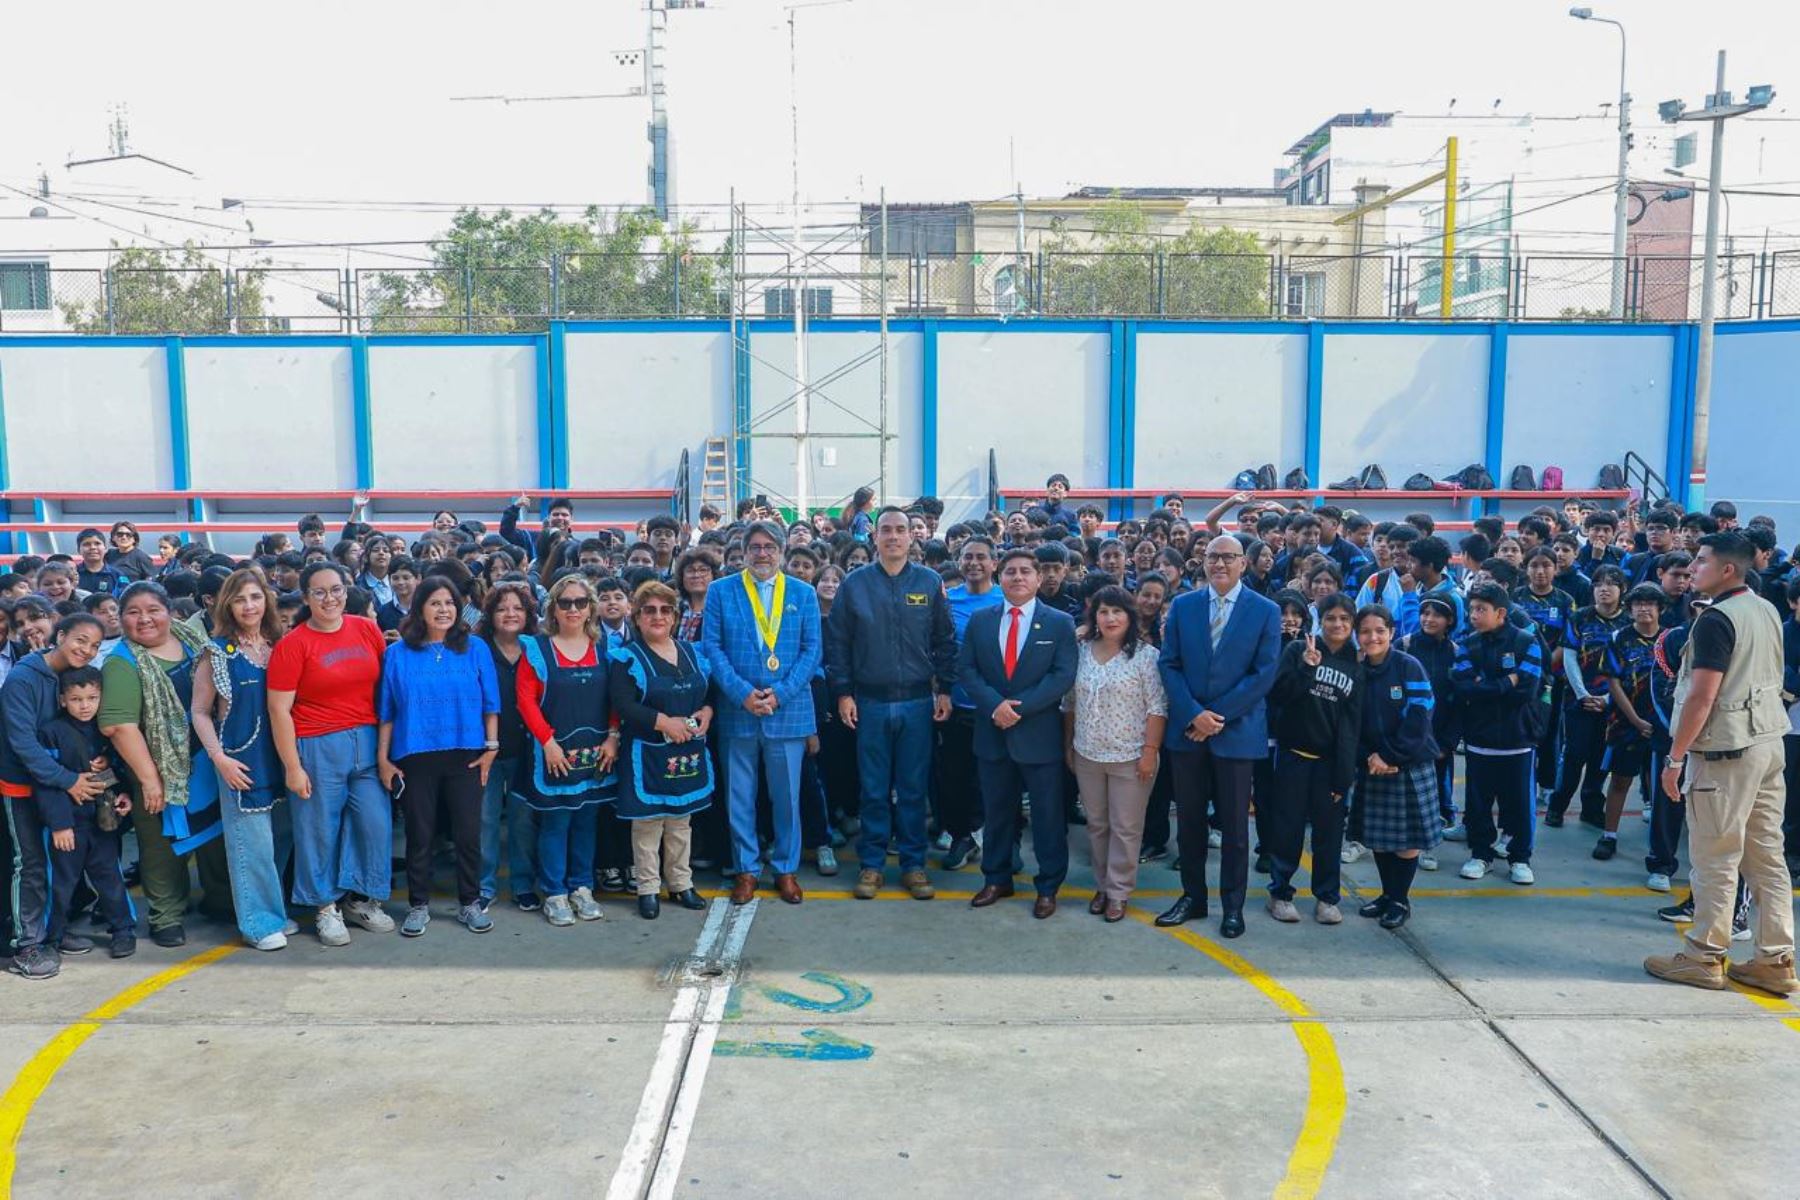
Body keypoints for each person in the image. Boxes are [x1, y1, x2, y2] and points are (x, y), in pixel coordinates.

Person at [1646, 532, 1796, 994]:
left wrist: (1674, 759)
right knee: (1766, 855)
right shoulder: (1766, 608)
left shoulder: (1716, 619)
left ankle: (1703, 955)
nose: (1692, 568)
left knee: (1714, 856)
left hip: (1725, 752)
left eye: (1701, 561)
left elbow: (1701, 695)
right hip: (1768, 744)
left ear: (1727, 569)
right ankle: (1776, 958)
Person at [825, 506, 958, 901]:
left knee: (913, 788)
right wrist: (844, 693)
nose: (894, 536)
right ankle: (872, 864)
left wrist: (946, 689)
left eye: (901, 530)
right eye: (887, 530)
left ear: (911, 536)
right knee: (873, 789)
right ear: (875, 536)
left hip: (918, 701)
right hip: (870, 703)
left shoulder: (930, 582)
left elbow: (945, 641)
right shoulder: (855, 584)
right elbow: (839, 645)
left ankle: (914, 865)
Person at [1155, 535, 1283, 939]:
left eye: (1228, 557)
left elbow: (1263, 674)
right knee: (1190, 822)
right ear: (1203, 561)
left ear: (1243, 563)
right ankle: (1193, 897)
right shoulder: (1183, 606)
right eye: (1213, 556)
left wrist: (1218, 715)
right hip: (1189, 732)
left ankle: (1232, 906)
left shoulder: (1265, 611)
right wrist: (1194, 713)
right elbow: (1169, 664)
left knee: (1234, 827)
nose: (1220, 564)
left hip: (1236, 732)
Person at [101, 582, 235, 948]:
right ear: (121, 618)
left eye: (152, 610)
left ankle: (221, 901)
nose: (144, 619)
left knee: (214, 837)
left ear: (169, 612)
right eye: (133, 612)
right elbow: (120, 727)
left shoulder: (191, 639)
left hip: (206, 761)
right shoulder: (122, 663)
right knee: (162, 845)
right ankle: (166, 916)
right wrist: (150, 781)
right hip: (158, 772)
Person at [267, 562, 395, 947]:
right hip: (316, 745)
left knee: (375, 826)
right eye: (319, 592)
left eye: (337, 589)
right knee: (318, 831)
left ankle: (358, 897)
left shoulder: (366, 629)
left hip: (368, 742)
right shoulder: (293, 645)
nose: (330, 598)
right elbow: (278, 710)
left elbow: (384, 690)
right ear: (306, 598)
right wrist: (292, 766)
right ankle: (324, 906)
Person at [702, 521, 823, 906]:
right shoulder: (721, 591)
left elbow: (812, 652)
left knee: (787, 796)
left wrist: (781, 694)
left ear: (783, 550)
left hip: (786, 710)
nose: (762, 553)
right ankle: (747, 870)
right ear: (743, 551)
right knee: (740, 796)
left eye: (769, 546)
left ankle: (785, 868)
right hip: (739, 709)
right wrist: (742, 694)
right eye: (754, 546)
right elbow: (712, 648)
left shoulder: (803, 594)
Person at [378, 578, 501, 937]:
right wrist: (383, 759)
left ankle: (470, 903)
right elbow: (386, 711)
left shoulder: (475, 648)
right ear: (419, 609)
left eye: (449, 602)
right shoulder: (397, 653)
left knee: (467, 833)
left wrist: (491, 750)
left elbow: (492, 704)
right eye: (434, 603)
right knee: (419, 834)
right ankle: (418, 905)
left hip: (467, 754)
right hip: (415, 756)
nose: (443, 609)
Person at [961, 549, 1079, 918]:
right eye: (1010, 571)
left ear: (1038, 578)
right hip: (992, 732)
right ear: (1000, 576)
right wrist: (995, 705)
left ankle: (1048, 886)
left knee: (1047, 816)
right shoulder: (981, 621)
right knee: (997, 813)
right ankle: (996, 878)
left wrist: (1019, 708)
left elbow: (1062, 676)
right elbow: (967, 669)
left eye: (1026, 571)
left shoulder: (1058, 623)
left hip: (1038, 735)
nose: (1017, 577)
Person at [3, 618, 112, 979]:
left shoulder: (75, 677)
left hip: (58, 785)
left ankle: (53, 933)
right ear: (60, 636)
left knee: (60, 862)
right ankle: (27, 945)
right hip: (22, 785)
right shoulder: (23, 678)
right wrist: (69, 780)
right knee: (30, 863)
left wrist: (98, 758)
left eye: (95, 645)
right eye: (80, 640)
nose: (87, 650)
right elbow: (23, 744)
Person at [190, 570, 293, 951]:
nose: (249, 605)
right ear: (226, 605)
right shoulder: (216, 652)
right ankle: (258, 922)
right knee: (252, 846)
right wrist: (219, 759)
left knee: (281, 837)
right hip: (240, 760)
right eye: (240, 599)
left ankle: (275, 911)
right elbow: (200, 712)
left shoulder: (278, 644)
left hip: (281, 758)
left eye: (255, 597)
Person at [514, 573, 619, 927]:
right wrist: (547, 743)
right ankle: (555, 892)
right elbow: (525, 701)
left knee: (587, 820)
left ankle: (582, 887)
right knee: (557, 822)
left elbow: (614, 702)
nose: (573, 609)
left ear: (591, 608)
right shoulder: (537, 649)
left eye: (580, 602)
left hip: (595, 753)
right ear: (553, 609)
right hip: (555, 753)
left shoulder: (605, 652)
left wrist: (613, 737)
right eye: (565, 603)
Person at [609, 580, 715, 919]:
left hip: (687, 752)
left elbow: (709, 693)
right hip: (648, 752)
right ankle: (648, 888)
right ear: (637, 617)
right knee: (648, 825)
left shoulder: (692, 651)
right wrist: (663, 722)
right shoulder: (627, 657)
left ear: (674, 616)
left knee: (681, 822)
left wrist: (708, 711)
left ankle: (681, 883)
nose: (658, 616)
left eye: (665, 610)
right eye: (649, 611)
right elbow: (623, 705)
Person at [1063, 584, 1166, 922]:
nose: (1110, 618)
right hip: (1088, 752)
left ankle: (1119, 891)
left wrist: (1150, 751)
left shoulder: (1146, 656)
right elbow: (1070, 704)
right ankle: (1103, 885)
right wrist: (1069, 746)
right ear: (1094, 616)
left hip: (1131, 756)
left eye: (1117, 611)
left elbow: (1157, 708)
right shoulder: (1081, 651)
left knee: (1126, 826)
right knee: (1097, 825)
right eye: (1103, 611)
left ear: (1130, 616)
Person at [1265, 594, 1362, 926]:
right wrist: (1307, 668)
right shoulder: (1297, 650)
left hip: (1329, 762)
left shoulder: (1355, 662)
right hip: (1293, 756)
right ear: (1320, 620)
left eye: (1344, 619)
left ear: (1352, 624)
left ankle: (1327, 898)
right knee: (1287, 829)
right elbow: (1278, 694)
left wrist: (1343, 775)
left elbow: (1352, 724)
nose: (1337, 624)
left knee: (1329, 834)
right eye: (1331, 618)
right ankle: (1280, 893)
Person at [35, 666, 137, 967]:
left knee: (110, 876)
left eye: (92, 697)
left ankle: (123, 929)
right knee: (61, 883)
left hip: (101, 821)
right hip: (68, 825)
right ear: (63, 699)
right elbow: (46, 783)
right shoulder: (50, 732)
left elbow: (114, 771)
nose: (85, 705)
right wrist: (59, 825)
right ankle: (52, 937)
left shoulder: (104, 729)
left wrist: (122, 794)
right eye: (77, 699)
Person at [1354, 605, 1444, 929]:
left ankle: (1400, 900)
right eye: (1365, 631)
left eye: (1380, 630)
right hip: (1373, 765)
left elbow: (1419, 719)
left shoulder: (1409, 667)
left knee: (1406, 843)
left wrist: (1390, 756)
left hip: (1408, 764)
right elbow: (1351, 723)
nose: (1372, 637)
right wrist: (1368, 756)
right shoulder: (1357, 670)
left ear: (1391, 632)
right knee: (1380, 838)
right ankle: (1387, 894)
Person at [1451, 583, 1545, 886]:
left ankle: (1520, 857)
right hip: (1479, 739)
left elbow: (1527, 689)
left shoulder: (1527, 642)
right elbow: (1464, 686)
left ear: (1501, 613)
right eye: (1472, 609)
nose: (1474, 615)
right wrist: (1508, 681)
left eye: (1481, 610)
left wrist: (1487, 685)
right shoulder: (1468, 644)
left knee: (1519, 803)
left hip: (1518, 739)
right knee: (1478, 803)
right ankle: (1481, 854)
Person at [475, 583, 542, 912]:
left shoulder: (537, 647)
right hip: (484, 750)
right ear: (490, 615)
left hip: (527, 749)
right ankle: (483, 886)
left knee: (522, 820)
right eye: (502, 609)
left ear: (528, 614)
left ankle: (522, 884)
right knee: (485, 820)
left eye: (517, 608)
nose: (510, 614)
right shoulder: (477, 648)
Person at [940, 536, 1004, 871]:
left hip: (996, 708)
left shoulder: (1007, 599)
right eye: (967, 557)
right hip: (956, 705)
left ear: (995, 563)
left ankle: (999, 841)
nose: (974, 563)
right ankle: (961, 837)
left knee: (995, 780)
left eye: (981, 557)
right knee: (955, 779)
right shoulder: (947, 600)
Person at [1548, 566, 1629, 827]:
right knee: (1573, 756)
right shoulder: (1579, 617)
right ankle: (1557, 807)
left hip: (1613, 703)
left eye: (1611, 584)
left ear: (1622, 590)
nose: (1604, 589)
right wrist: (1582, 694)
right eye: (1598, 584)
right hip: (1578, 701)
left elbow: (1628, 667)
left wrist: (1608, 698)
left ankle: (1592, 808)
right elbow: (1569, 658)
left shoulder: (1628, 623)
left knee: (1600, 759)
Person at [1591, 585, 1665, 861]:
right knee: (1620, 780)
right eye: (1638, 604)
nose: (1644, 609)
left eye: (1650, 604)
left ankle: (1660, 843)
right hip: (1625, 723)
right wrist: (1634, 719)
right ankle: (1609, 835)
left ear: (1660, 609)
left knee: (1659, 784)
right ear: (1630, 608)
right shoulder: (1619, 638)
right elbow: (1613, 681)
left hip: (1662, 725)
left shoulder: (1670, 639)